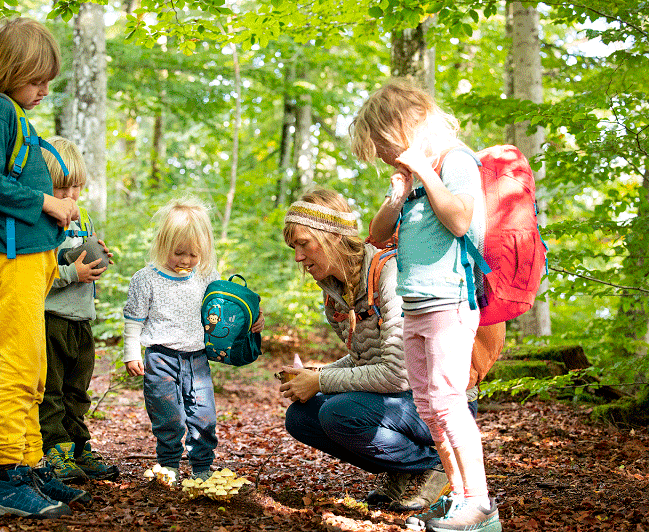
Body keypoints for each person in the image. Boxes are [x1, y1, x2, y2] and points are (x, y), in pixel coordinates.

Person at [353, 79, 502, 531]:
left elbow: (459, 220)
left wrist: (426, 170)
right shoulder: (414, 175)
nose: (380, 155)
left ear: (403, 127)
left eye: (381, 144)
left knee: (448, 401)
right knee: (427, 405)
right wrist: (399, 192)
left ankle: (479, 502)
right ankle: (457, 496)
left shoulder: (455, 160)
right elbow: (376, 237)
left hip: (449, 304)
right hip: (416, 306)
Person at [0, 16, 90, 519]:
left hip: (33, 263)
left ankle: (33, 464)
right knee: (19, 370)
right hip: (13, 261)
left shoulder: (16, 114)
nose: (44, 90)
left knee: (36, 370)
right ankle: (6, 478)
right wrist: (48, 202)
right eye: (36, 79)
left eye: (48, 81)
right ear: (9, 69)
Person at [281, 187, 454, 513]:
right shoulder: (333, 294)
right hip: (401, 400)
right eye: (293, 247)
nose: (297, 258)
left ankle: (437, 462)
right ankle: (401, 469)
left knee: (338, 411)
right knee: (300, 417)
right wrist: (316, 374)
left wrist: (320, 382)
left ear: (331, 236)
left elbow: (396, 373)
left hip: (430, 400)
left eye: (303, 244)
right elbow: (364, 360)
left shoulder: (387, 274)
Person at [122, 196, 265, 484]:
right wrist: (131, 352)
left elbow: (227, 310)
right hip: (160, 356)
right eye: (179, 253)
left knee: (204, 415)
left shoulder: (205, 277)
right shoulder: (146, 279)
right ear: (163, 244)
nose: (186, 261)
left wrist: (254, 321)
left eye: (193, 254)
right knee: (168, 416)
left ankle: (201, 467)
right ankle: (169, 465)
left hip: (197, 358)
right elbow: (134, 319)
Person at [37, 136, 120, 483]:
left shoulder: (82, 216)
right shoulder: (40, 219)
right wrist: (73, 272)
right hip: (51, 317)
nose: (70, 196)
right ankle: (55, 450)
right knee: (52, 388)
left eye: (77, 187)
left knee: (77, 388)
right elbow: (37, 273)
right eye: (61, 188)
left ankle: (78, 446)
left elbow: (86, 250)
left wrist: (99, 254)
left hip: (81, 319)